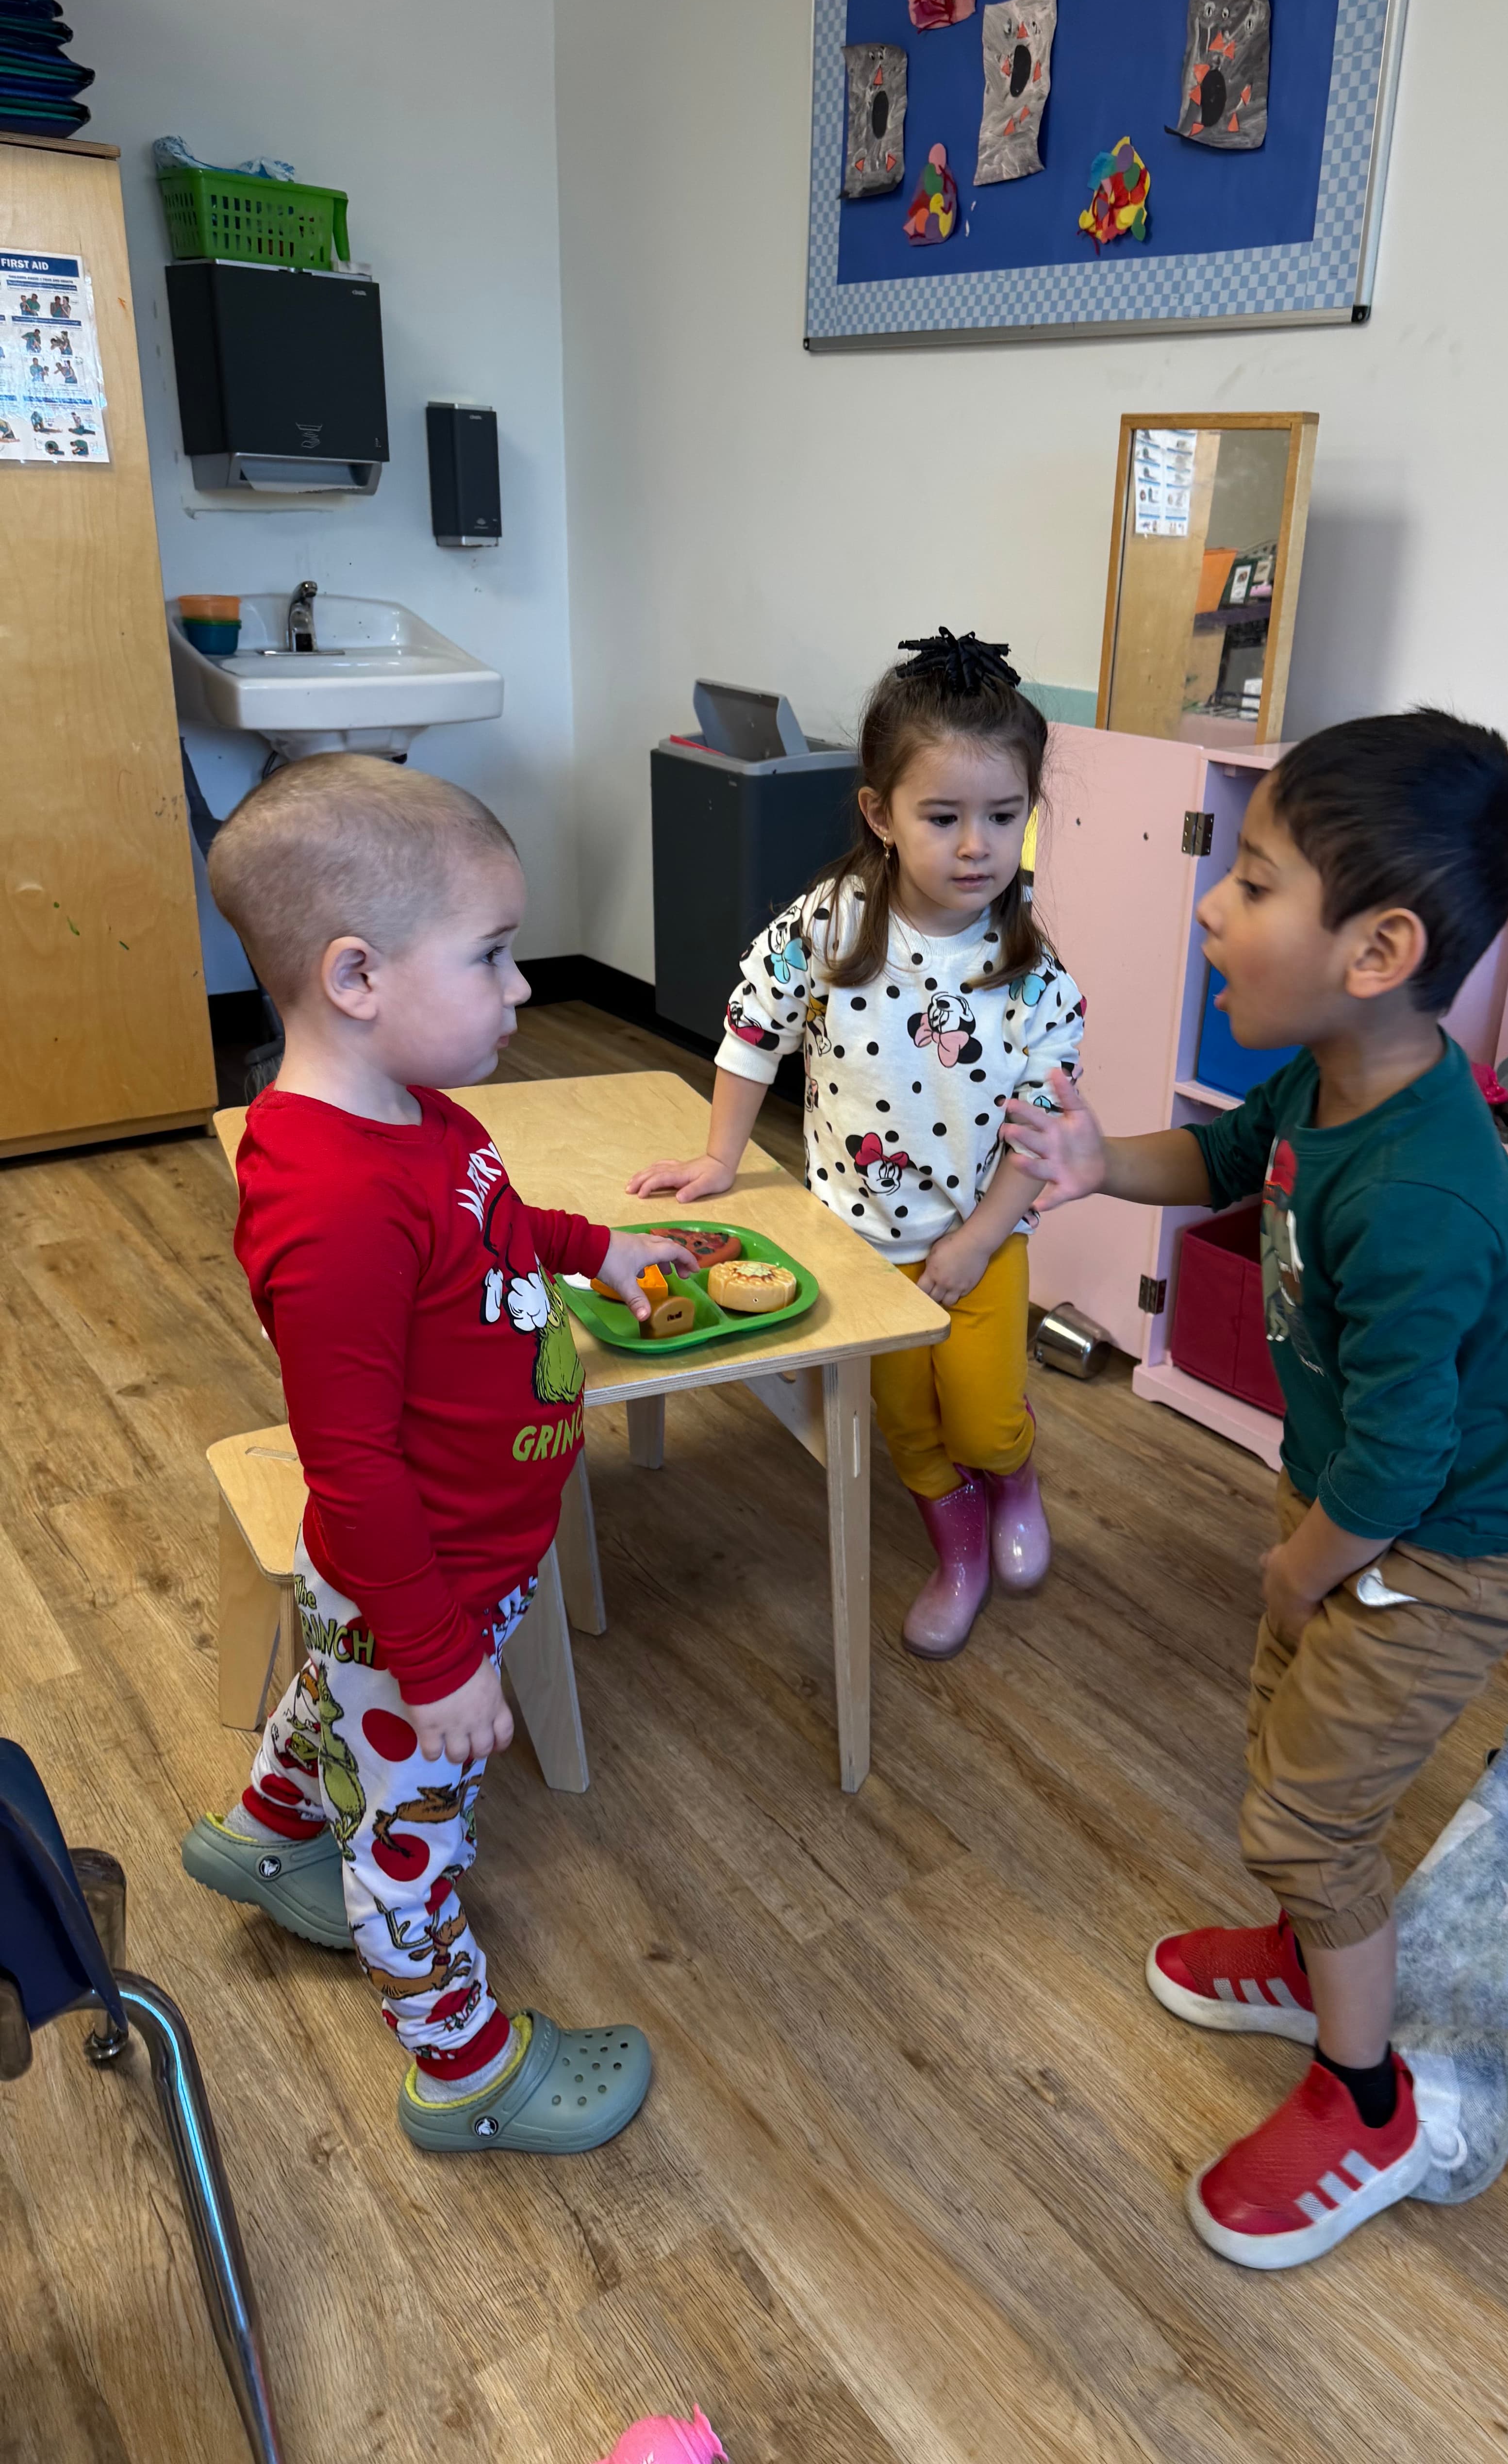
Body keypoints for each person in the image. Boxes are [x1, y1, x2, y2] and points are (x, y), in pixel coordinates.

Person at [1002, 709, 1508, 2269]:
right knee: (1288, 1753)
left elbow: (1405, 1460)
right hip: (1351, 1517)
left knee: (1315, 1814)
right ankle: (1313, 1948)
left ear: (1379, 950)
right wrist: (1095, 1165)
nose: (1212, 904)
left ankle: (1367, 2098)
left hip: (1433, 1549)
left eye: (1254, 882)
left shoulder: (1426, 1196)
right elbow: (1221, 1160)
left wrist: (1302, 1568)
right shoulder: (1325, 1087)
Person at [181, 755, 698, 2155]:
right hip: (429, 1587)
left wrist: (597, 1247)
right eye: (492, 955)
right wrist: (441, 1659)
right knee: (411, 1841)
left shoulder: (421, 1114)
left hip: (452, 1569)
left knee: (340, 1704)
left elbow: (491, 1220)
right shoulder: (332, 1207)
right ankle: (464, 2067)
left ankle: (266, 1830)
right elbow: (350, 1468)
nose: (522, 988)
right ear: (356, 976)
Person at [628, 631, 1085, 1657]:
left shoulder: (1033, 971)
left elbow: (1043, 1129)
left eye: (1004, 815)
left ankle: (1012, 1480)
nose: (976, 846)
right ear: (881, 814)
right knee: (910, 1430)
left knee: (980, 1419)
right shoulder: (831, 925)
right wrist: (719, 1157)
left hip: (983, 1241)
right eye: (943, 817)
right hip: (859, 1243)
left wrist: (976, 1242)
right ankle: (957, 1553)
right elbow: (754, 1026)